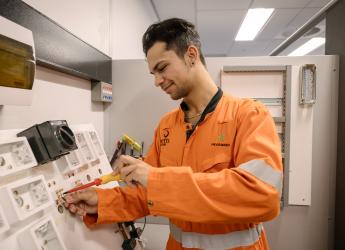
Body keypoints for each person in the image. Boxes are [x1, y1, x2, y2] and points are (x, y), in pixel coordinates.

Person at [64, 18, 283, 250]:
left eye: (162, 68)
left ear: (191, 54)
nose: (157, 81)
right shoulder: (167, 126)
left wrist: (155, 178)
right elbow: (145, 194)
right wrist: (100, 201)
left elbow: (262, 195)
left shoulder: (249, 115)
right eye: (153, 74)